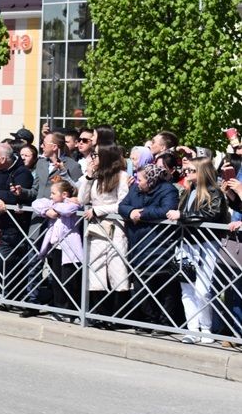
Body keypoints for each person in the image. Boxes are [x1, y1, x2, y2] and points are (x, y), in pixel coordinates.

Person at [168, 157, 228, 343]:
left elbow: (213, 213)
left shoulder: (214, 192)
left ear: (202, 171)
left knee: (203, 289)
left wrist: (183, 216)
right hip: (186, 243)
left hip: (206, 243)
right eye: (187, 171)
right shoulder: (188, 192)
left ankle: (206, 329)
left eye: (192, 170)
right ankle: (192, 329)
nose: (187, 173)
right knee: (186, 287)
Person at [119, 163, 181, 328]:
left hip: (159, 243)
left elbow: (166, 210)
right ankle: (149, 319)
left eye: (140, 179)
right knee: (141, 284)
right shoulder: (136, 189)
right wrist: (131, 211)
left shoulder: (168, 190)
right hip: (137, 242)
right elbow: (122, 206)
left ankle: (166, 322)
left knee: (164, 285)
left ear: (151, 179)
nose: (137, 182)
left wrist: (142, 213)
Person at [78, 144, 130, 324]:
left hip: (115, 227)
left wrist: (99, 209)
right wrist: (88, 176)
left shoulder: (122, 176)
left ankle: (117, 317)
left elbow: (122, 203)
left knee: (117, 270)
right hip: (96, 229)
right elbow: (82, 200)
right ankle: (98, 313)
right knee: (96, 270)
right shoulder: (96, 176)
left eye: (96, 155)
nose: (93, 158)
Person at [0, 143, 35, 302]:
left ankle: (9, 297)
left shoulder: (22, 172)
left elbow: (14, 197)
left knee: (7, 261)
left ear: (3, 159)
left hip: (15, 225)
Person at [32, 180, 83, 321]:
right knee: (57, 280)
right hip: (55, 248)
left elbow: (67, 210)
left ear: (65, 194)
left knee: (69, 280)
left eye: (54, 193)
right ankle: (59, 309)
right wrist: (46, 210)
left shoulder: (73, 205)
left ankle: (73, 311)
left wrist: (56, 206)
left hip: (70, 250)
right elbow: (36, 204)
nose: (51, 196)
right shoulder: (53, 204)